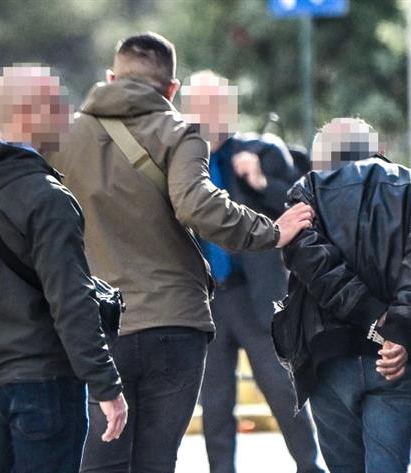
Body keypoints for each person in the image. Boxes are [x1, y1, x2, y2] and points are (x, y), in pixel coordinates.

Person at [46, 33, 315, 472]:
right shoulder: (180, 133)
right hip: (172, 321)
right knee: (157, 458)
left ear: (112, 78)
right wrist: (271, 231)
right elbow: (197, 206)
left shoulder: (63, 137)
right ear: (172, 89)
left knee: (102, 459)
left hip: (97, 324)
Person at [0, 64, 128, 473]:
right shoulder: (47, 196)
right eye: (58, 104)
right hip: (47, 384)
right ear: (29, 114)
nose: (68, 114)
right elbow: (71, 300)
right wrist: (106, 384)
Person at [274, 118, 411, 473]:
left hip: (329, 358)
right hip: (398, 360)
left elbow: (313, 262)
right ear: (379, 150)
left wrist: (374, 318)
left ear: (322, 157)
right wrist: (397, 331)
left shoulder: (306, 192)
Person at [179, 71, 323, 473]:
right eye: (200, 106)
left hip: (258, 295)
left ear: (231, 109)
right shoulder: (182, 163)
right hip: (207, 300)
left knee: (283, 392)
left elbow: (304, 212)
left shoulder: (263, 150)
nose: (209, 114)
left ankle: (310, 467)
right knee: (215, 403)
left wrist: (260, 181)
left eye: (217, 105)